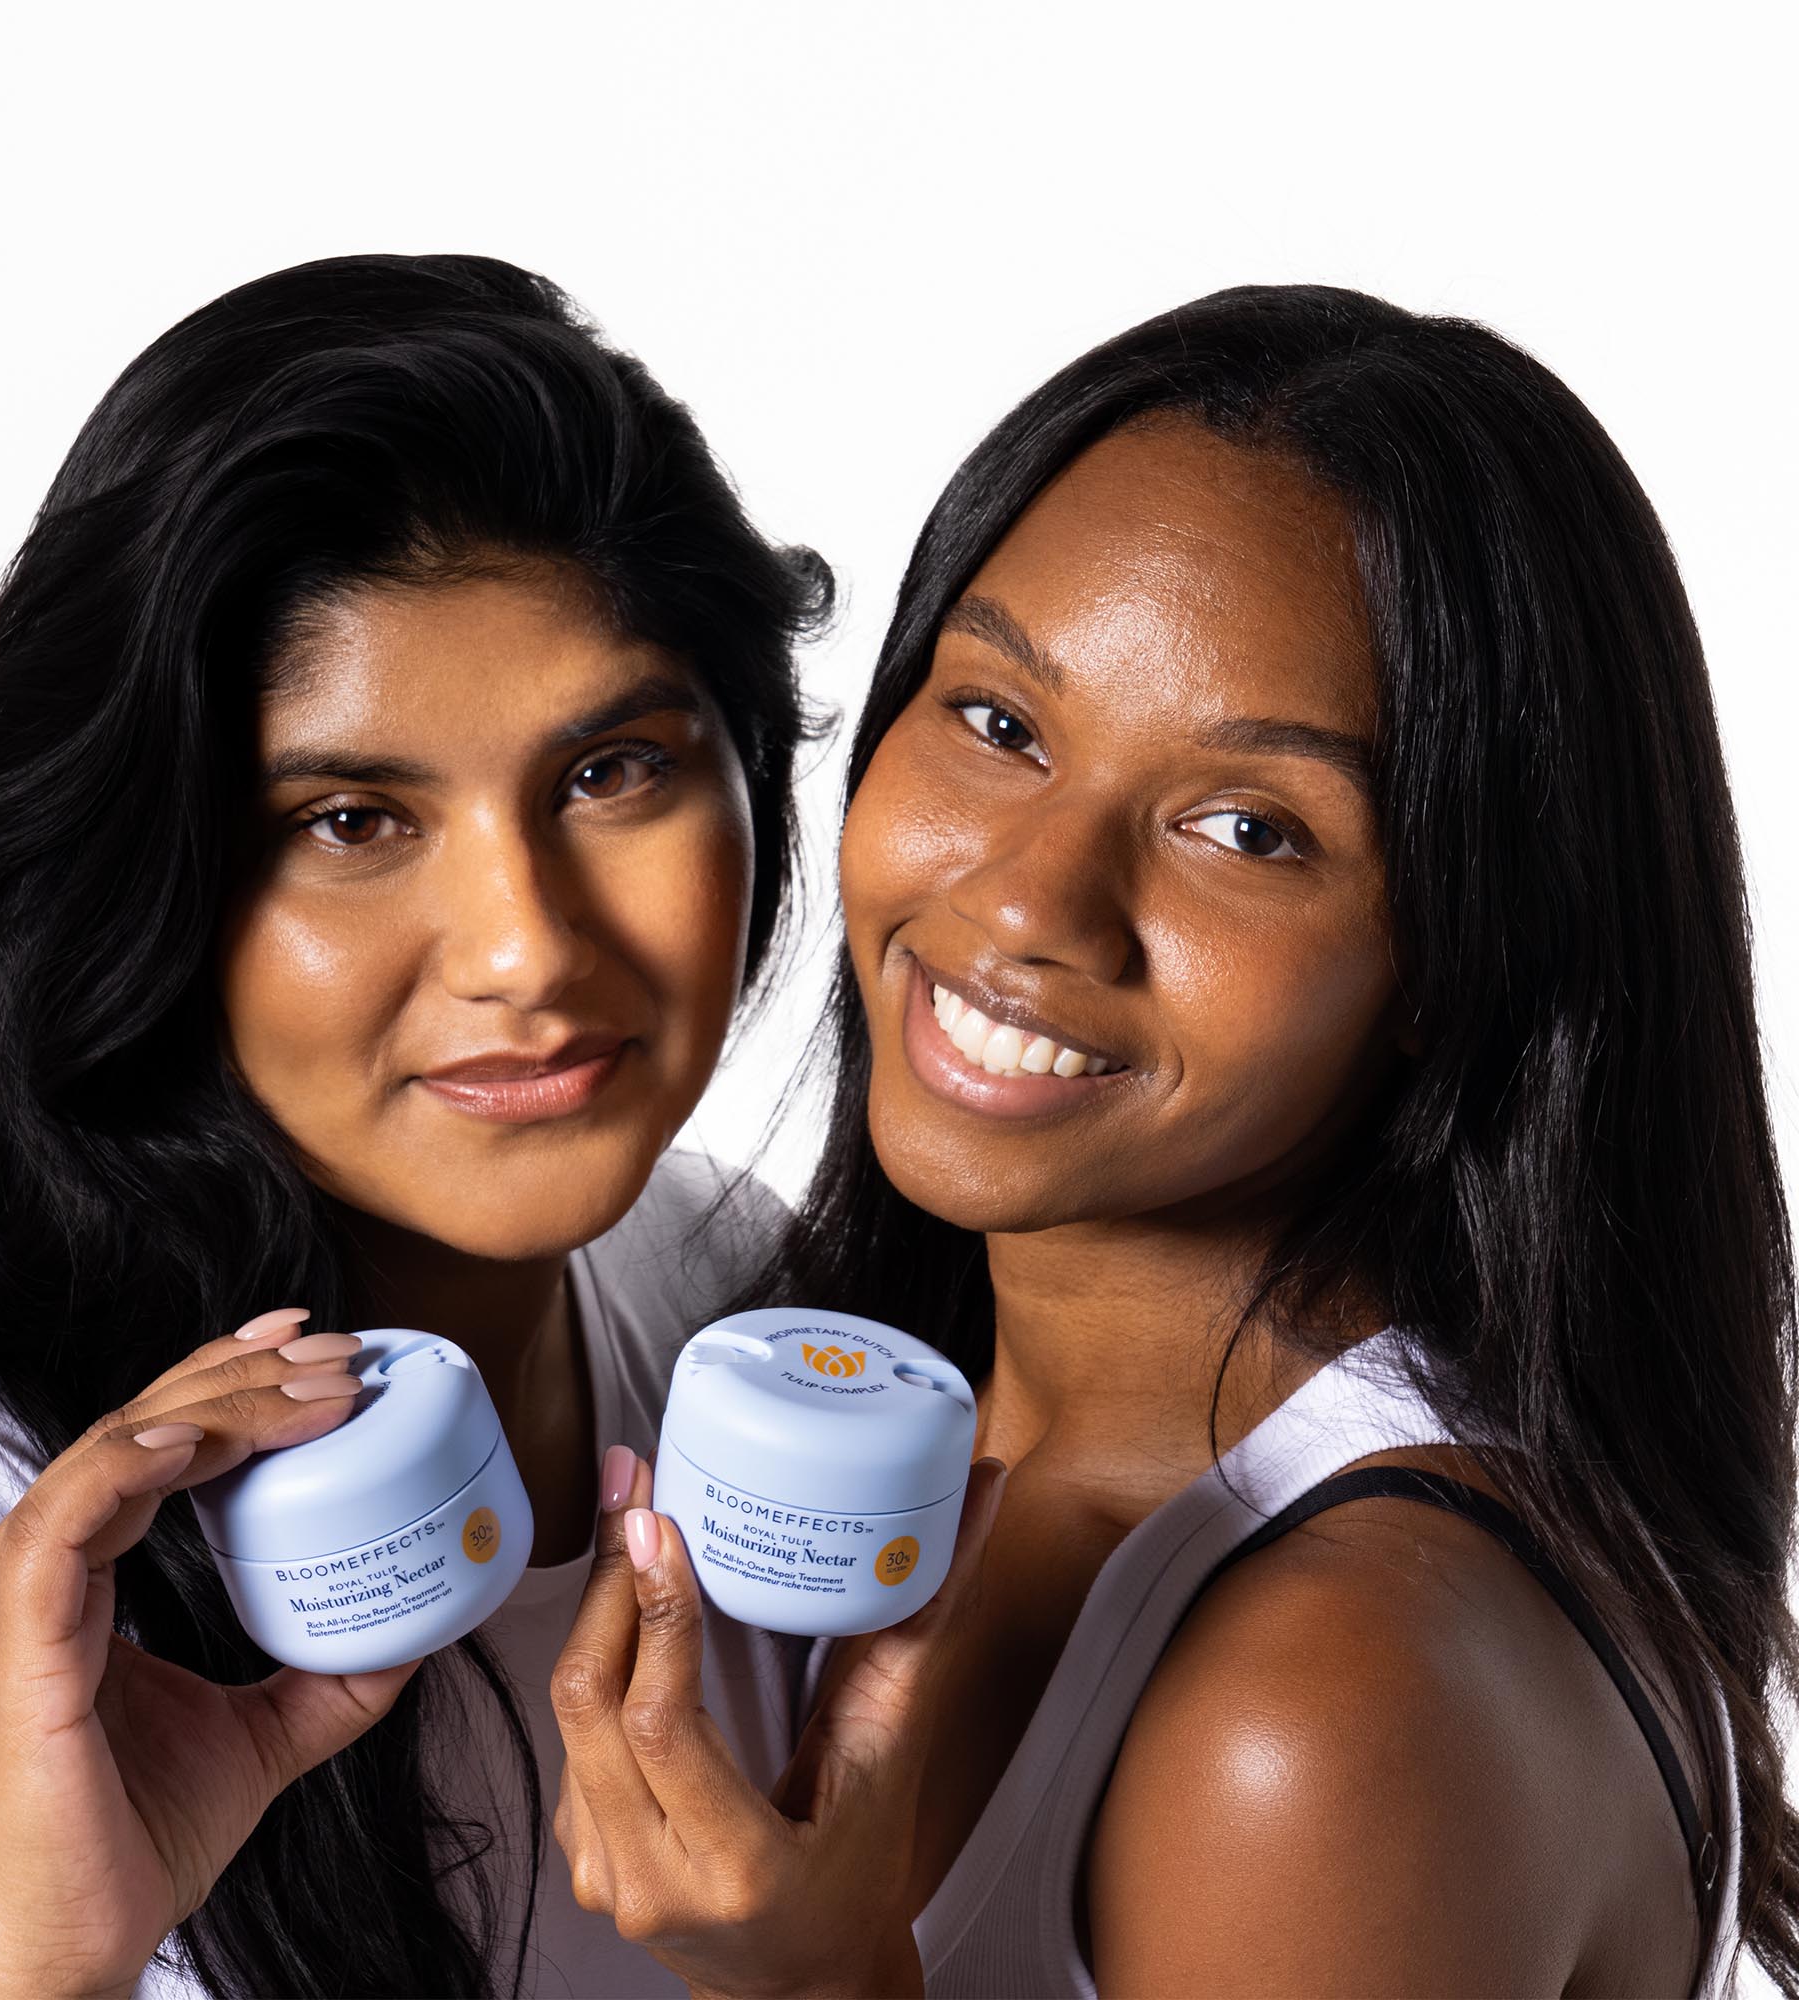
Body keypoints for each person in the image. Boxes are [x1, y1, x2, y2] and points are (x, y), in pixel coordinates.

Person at [546, 284, 1798, 1996]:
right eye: (998, 723)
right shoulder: (895, 1412)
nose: (1029, 901)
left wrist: (821, 1986)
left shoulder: (1324, 1706)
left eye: (1245, 827)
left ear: (1458, 950)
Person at [0, 253, 831, 1999]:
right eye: (354, 818)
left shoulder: (740, 1300)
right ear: (149, 878)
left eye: (613, 772)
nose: (529, 950)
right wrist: (40, 1951)